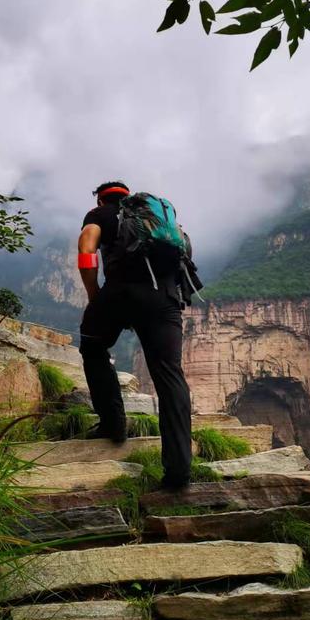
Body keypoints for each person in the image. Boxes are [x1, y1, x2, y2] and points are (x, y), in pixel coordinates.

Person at [77, 180, 192, 490]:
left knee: (92, 345)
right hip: (166, 298)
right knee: (170, 376)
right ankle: (179, 472)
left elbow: (87, 252)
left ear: (101, 200)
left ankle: (113, 424)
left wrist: (94, 296)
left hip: (121, 292)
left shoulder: (100, 214)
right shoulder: (157, 221)